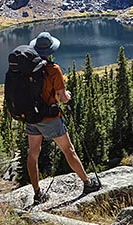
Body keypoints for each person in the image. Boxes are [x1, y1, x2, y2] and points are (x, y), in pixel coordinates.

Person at [26, 31, 97, 204]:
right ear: (51, 51)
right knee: (68, 150)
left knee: (33, 154)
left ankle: (37, 194)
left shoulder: (26, 68)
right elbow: (62, 98)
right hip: (50, 119)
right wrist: (67, 95)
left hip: (31, 117)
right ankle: (87, 183)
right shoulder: (53, 70)